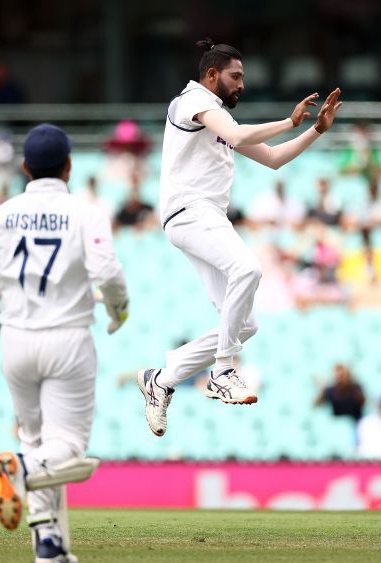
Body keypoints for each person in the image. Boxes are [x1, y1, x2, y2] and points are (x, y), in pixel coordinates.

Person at [135, 39, 343, 437]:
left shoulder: (218, 119)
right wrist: (289, 121)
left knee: (244, 324)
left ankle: (162, 378)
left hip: (205, 217)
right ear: (211, 75)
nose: (241, 84)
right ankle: (224, 371)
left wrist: (316, 129)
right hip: (189, 211)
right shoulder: (191, 102)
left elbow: (274, 159)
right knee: (247, 269)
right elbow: (239, 134)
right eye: (236, 76)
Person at [0, 123, 129, 563]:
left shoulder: (0, 214)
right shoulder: (86, 212)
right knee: (65, 447)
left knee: (36, 439)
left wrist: (2, 288)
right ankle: (22, 472)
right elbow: (107, 274)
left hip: (15, 341)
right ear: (69, 166)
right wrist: (117, 311)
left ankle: (47, 542)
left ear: (26, 167)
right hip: (67, 338)